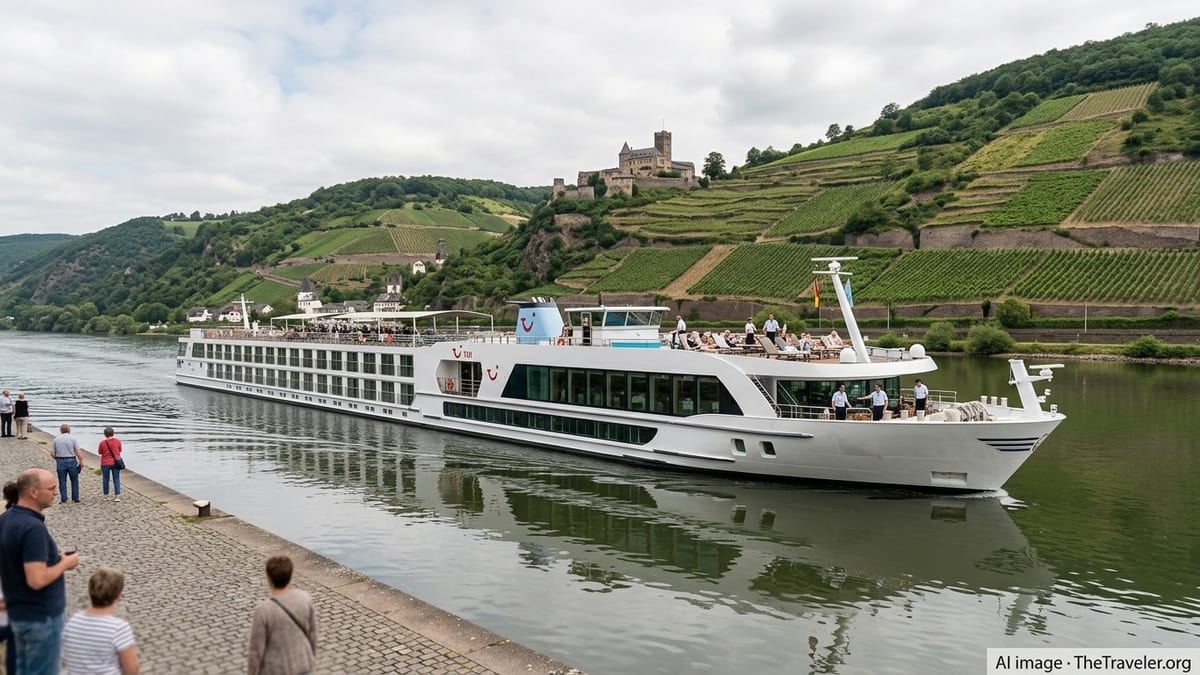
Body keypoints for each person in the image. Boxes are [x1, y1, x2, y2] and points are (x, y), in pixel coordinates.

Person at [0, 468, 80, 675]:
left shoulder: (7, 519)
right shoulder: (32, 528)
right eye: (52, 488)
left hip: (19, 613)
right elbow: (36, 579)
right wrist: (65, 563)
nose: (56, 493)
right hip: (41, 618)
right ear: (33, 492)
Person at [247, 555, 317, 675]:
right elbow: (313, 635)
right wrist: (310, 658)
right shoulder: (305, 599)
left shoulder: (263, 610)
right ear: (290, 577)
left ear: (269, 579)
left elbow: (256, 650)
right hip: (303, 666)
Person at [61, 567, 139, 675]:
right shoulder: (119, 629)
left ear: (90, 593)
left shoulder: (73, 622)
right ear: (118, 596)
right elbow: (131, 669)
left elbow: (65, 658)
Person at [51, 424, 85, 504]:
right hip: (71, 460)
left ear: (61, 430)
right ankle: (75, 497)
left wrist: (58, 459)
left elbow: (52, 453)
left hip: (61, 461)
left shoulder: (56, 440)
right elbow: (78, 452)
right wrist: (81, 461)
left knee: (62, 480)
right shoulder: (73, 439)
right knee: (74, 480)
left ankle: (64, 498)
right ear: (69, 430)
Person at [98, 427, 125, 502]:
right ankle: (117, 496)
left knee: (105, 479)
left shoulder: (102, 443)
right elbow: (120, 450)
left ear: (105, 434)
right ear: (113, 433)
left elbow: (100, 452)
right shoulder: (117, 441)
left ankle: (106, 496)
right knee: (116, 479)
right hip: (115, 462)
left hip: (105, 463)